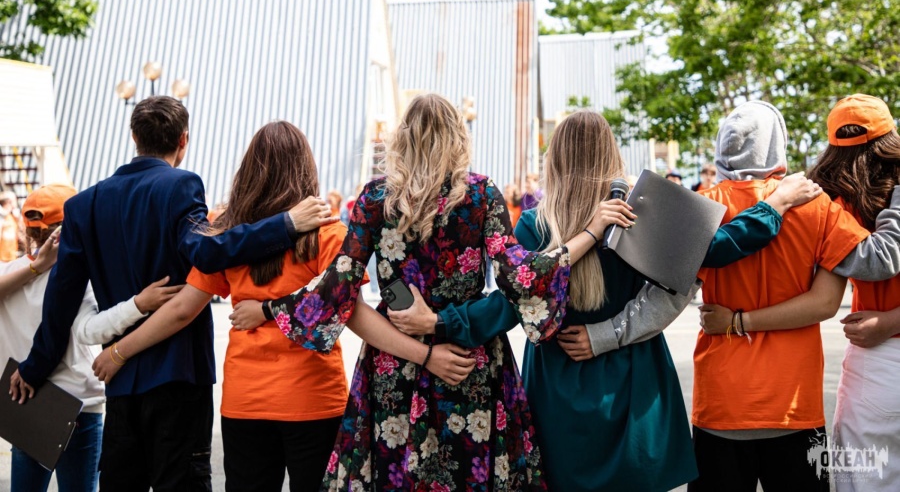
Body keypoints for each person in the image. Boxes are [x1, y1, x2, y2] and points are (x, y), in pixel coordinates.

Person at [388, 110, 823, 491]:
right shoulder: (638, 213)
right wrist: (775, 204)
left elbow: (506, 306)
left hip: (557, 387)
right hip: (632, 380)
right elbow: (717, 248)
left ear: (555, 158)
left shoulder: (535, 226)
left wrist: (441, 324)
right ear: (611, 154)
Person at [230, 93, 625, 490]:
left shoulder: (375, 199)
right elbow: (523, 276)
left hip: (394, 364)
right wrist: (590, 233)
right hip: (469, 361)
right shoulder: (482, 194)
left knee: (398, 475)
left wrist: (269, 308)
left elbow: (339, 292)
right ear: (458, 138)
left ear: (402, 138)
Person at [90, 121, 476, 492]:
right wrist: (425, 355)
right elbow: (355, 316)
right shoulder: (327, 233)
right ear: (306, 168)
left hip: (245, 401)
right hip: (314, 399)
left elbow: (181, 310)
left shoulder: (227, 233)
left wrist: (120, 351)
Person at [9, 96, 337, 491]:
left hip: (121, 378)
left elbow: (60, 302)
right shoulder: (181, 185)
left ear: (134, 137)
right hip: (180, 374)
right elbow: (206, 252)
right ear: (184, 140)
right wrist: (285, 224)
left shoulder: (83, 205)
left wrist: (34, 368)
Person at [685, 100, 900, 492]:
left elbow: (667, 293)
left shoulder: (703, 206)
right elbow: (828, 300)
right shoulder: (817, 206)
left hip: (721, 403)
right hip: (794, 404)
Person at [1, 184, 180, 492]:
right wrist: (139, 304)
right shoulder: (81, 278)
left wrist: (35, 267)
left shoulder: (11, 274)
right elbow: (93, 329)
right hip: (78, 403)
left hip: (25, 399)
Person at [0, 190, 22, 261]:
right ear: (9, 202)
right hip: (2, 257)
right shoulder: (2, 216)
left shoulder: (13, 216)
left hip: (11, 256)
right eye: (15, 200)